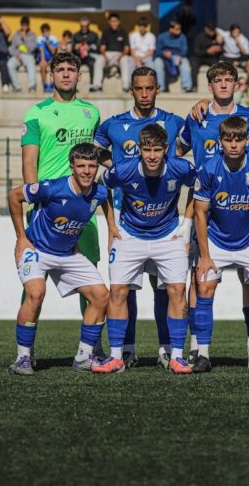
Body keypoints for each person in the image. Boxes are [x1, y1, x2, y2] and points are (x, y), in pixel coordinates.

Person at [179, 61, 249, 368]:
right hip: (206, 209)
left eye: (228, 79)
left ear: (237, 84)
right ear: (209, 85)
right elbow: (175, 153)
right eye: (217, 80)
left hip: (246, 212)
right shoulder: (197, 117)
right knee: (200, 279)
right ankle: (197, 348)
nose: (222, 85)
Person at [93, 66, 185, 369]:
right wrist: (122, 165)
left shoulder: (174, 122)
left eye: (150, 88)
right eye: (139, 89)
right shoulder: (114, 125)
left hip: (163, 214)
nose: (144, 94)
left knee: (165, 288)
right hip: (125, 214)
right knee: (124, 287)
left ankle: (166, 348)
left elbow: (185, 152)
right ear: (131, 90)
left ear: (157, 89)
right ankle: (127, 349)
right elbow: (97, 155)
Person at [7, 143, 114, 375]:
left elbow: (106, 199)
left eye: (92, 166)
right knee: (36, 294)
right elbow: (14, 196)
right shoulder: (53, 188)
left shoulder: (99, 191)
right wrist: (21, 238)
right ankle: (22, 358)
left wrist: (112, 227)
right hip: (37, 250)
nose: (87, 171)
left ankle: (84, 357)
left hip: (67, 254)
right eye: (81, 166)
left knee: (101, 296)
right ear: (71, 167)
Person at [21, 51, 102, 323]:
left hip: (82, 209)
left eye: (71, 69)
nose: (66, 74)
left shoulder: (91, 113)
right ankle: (25, 350)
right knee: (34, 282)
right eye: (61, 69)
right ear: (51, 75)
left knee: (90, 276)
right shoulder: (37, 113)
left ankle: (92, 349)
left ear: (79, 75)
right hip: (46, 207)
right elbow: (29, 160)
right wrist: (34, 200)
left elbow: (97, 156)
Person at [192, 116, 249, 373]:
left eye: (239, 139)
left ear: (248, 141)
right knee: (205, 287)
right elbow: (199, 214)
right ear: (220, 142)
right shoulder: (208, 169)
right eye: (228, 140)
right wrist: (205, 256)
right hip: (216, 240)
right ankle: (203, 354)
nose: (233, 145)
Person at [154, 20, 191, 92]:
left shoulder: (182, 37)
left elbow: (184, 49)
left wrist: (180, 56)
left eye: (180, 29)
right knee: (157, 63)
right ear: (171, 29)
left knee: (185, 62)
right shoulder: (161, 37)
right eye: (177, 29)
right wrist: (164, 53)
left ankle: (186, 86)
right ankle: (161, 87)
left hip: (177, 56)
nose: (179, 31)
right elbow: (157, 50)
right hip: (163, 57)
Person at [99, 12, 133, 93]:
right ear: (109, 22)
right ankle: (97, 86)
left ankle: (125, 86)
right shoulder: (105, 32)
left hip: (120, 54)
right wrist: (105, 56)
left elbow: (126, 49)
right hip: (108, 54)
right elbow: (102, 48)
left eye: (115, 21)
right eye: (112, 21)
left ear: (119, 21)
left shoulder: (123, 32)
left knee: (125, 60)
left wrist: (121, 56)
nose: (114, 23)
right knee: (99, 60)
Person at [72, 16, 104, 92]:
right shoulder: (76, 35)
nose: (84, 27)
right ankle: (73, 86)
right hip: (78, 56)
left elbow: (98, 47)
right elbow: (72, 47)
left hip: (90, 55)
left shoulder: (94, 35)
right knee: (73, 64)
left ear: (89, 25)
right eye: (82, 26)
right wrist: (76, 46)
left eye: (86, 26)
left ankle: (92, 85)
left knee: (92, 63)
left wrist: (89, 47)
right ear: (80, 25)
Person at [190, 20, 223, 92]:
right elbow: (196, 51)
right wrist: (207, 51)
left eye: (213, 30)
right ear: (206, 29)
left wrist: (219, 47)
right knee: (194, 64)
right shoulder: (199, 37)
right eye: (210, 30)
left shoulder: (217, 37)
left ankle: (217, 86)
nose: (212, 32)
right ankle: (194, 86)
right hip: (200, 57)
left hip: (211, 58)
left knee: (216, 67)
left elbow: (222, 50)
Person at [7, 16, 38, 93]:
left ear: (28, 25)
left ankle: (32, 86)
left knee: (31, 63)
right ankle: (16, 87)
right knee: (10, 64)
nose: (24, 26)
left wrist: (25, 38)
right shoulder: (16, 35)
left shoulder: (32, 35)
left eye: (26, 25)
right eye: (23, 25)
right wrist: (16, 54)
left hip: (28, 55)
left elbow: (32, 48)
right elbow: (11, 48)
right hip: (18, 56)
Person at [37, 23, 59, 93]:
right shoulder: (39, 38)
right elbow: (41, 51)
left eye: (46, 31)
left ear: (49, 31)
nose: (45, 33)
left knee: (54, 65)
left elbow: (53, 51)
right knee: (42, 65)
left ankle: (52, 84)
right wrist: (43, 60)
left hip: (52, 57)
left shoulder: (54, 38)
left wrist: (47, 42)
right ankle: (45, 85)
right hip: (42, 57)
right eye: (43, 31)